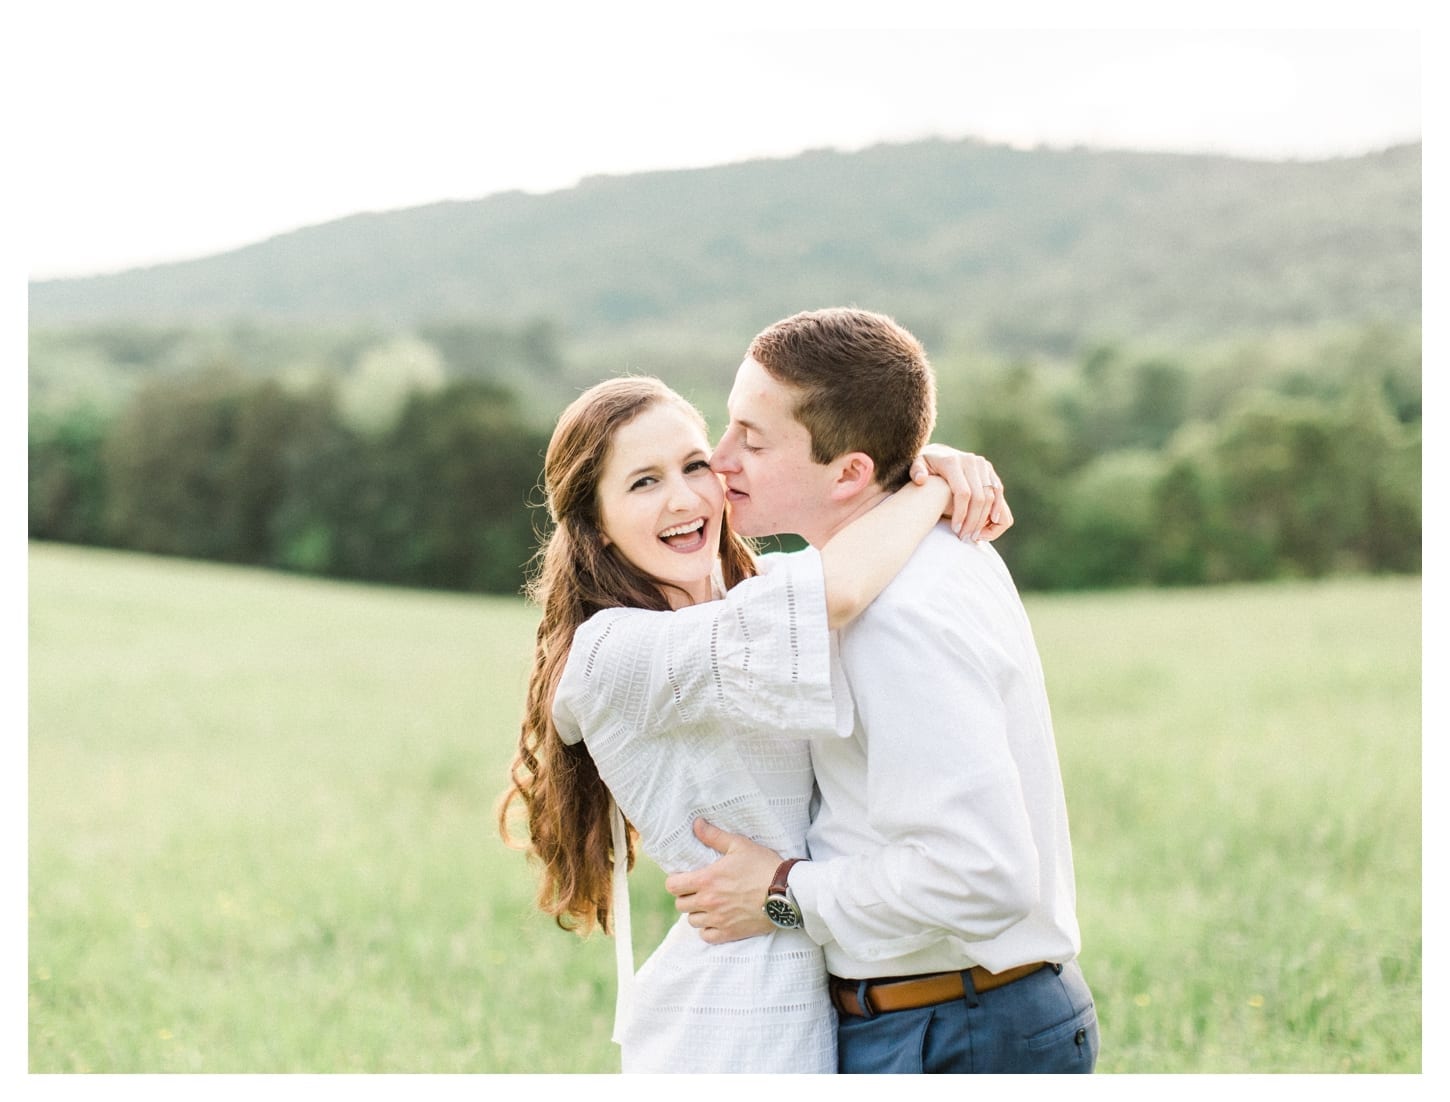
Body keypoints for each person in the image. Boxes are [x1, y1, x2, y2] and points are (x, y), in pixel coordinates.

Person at [498, 375, 1010, 1073]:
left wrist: (928, 460)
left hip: (815, 986)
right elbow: (840, 586)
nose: (683, 498)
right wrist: (932, 488)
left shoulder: (755, 598)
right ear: (595, 522)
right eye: (643, 483)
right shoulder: (613, 653)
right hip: (732, 1016)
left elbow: (832, 558)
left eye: (694, 465)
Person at [665, 308, 1098, 1074]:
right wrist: (928, 470)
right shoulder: (902, 548)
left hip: (955, 1033)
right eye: (725, 426)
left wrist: (780, 892)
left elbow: (982, 875)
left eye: (752, 441)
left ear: (850, 473)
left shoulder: (898, 615)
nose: (717, 459)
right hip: (944, 1019)